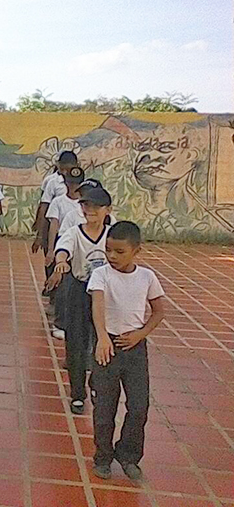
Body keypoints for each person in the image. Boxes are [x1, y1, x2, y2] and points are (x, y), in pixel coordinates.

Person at [87, 221, 165, 481]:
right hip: (106, 346)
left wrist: (140, 334)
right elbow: (97, 305)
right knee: (104, 407)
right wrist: (101, 338)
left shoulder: (147, 277)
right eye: (109, 250)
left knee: (139, 406)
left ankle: (129, 455)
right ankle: (103, 456)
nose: (112, 257)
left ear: (136, 251)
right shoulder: (101, 275)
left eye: (120, 252)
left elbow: (159, 311)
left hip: (134, 348)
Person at [47, 187, 112, 415]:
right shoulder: (75, 232)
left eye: (95, 206)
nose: (90, 210)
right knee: (76, 343)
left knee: (103, 340)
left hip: (104, 295)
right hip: (79, 290)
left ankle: (97, 382)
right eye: (86, 206)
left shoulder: (111, 234)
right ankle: (77, 393)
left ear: (108, 210)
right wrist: (61, 262)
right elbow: (63, 249)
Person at [45, 167, 85, 340]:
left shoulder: (86, 208)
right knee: (64, 288)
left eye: (76, 184)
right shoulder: (60, 203)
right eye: (70, 183)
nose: (73, 187)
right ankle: (60, 322)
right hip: (67, 253)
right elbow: (55, 227)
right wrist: (52, 251)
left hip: (85, 258)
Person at [32, 151, 80, 297]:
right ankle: (51, 288)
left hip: (73, 230)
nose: (65, 172)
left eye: (68, 169)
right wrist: (40, 233)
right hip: (53, 225)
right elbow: (44, 205)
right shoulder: (52, 181)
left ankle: (64, 291)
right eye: (62, 168)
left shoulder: (81, 182)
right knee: (50, 258)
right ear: (58, 166)